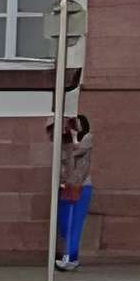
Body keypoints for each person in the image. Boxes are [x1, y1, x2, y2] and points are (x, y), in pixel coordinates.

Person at [53, 110, 92, 270]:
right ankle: (69, 256)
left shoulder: (89, 137)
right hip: (70, 184)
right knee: (65, 223)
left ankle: (71, 258)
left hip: (82, 184)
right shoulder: (70, 141)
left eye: (77, 124)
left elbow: (77, 151)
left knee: (74, 223)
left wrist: (73, 135)